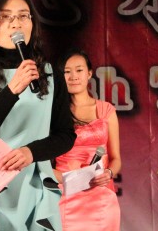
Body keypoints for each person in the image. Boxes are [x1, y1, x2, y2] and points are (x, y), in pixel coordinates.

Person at [0, 0, 76, 231]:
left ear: (32, 24)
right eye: (6, 16)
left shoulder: (50, 74)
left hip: (33, 184)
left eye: (23, 16)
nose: (16, 23)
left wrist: (30, 152)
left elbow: (65, 135)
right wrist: (12, 90)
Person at [53, 49, 121, 230]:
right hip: (65, 193)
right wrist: (64, 178)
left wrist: (109, 173)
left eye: (79, 70)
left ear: (89, 73)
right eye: (67, 72)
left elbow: (116, 158)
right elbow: (42, 161)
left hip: (101, 195)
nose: (73, 77)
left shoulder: (106, 110)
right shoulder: (53, 114)